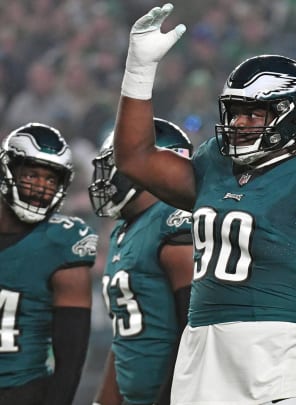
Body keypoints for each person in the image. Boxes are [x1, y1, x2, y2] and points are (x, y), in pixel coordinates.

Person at [111, 4, 296, 404]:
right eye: (235, 113)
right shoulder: (214, 165)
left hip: (285, 356)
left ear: (290, 116)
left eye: (253, 114)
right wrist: (138, 69)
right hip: (205, 354)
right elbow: (134, 157)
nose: (238, 124)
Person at [89, 118, 194, 405]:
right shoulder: (125, 229)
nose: (108, 176)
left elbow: (194, 330)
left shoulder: (173, 221)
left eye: (118, 164)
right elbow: (124, 334)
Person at [0, 123, 96, 405]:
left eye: (51, 180)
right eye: (32, 175)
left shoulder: (60, 241)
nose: (42, 186)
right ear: (9, 171)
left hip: (20, 391)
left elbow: (71, 354)